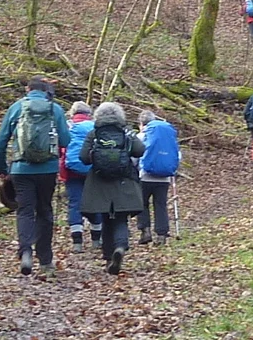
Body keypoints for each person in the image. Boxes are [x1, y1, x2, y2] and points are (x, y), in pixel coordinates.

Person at [0, 76, 71, 276]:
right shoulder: (55, 109)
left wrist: (2, 167)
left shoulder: (17, 107)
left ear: (27, 89)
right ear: (46, 90)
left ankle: (26, 252)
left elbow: (1, 140)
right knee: (45, 211)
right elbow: (65, 140)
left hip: (21, 169)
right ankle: (45, 261)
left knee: (25, 211)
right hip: (48, 169)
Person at [80, 102, 146, 275]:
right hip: (123, 181)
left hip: (100, 182)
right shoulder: (126, 132)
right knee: (120, 218)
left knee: (106, 219)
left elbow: (83, 158)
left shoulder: (94, 134)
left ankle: (109, 257)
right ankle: (120, 247)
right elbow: (140, 150)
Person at [60, 101, 103, 253]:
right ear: (88, 114)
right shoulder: (96, 127)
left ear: (72, 114)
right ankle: (96, 240)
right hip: (94, 171)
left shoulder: (67, 127)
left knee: (75, 204)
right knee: (95, 202)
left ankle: (77, 242)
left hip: (72, 171)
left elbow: (61, 148)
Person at [136, 111, 180, 246]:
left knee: (142, 203)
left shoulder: (141, 136)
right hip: (164, 178)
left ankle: (145, 231)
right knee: (160, 204)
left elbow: (135, 156)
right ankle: (161, 234)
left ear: (141, 124)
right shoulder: (168, 137)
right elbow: (177, 155)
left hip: (145, 176)